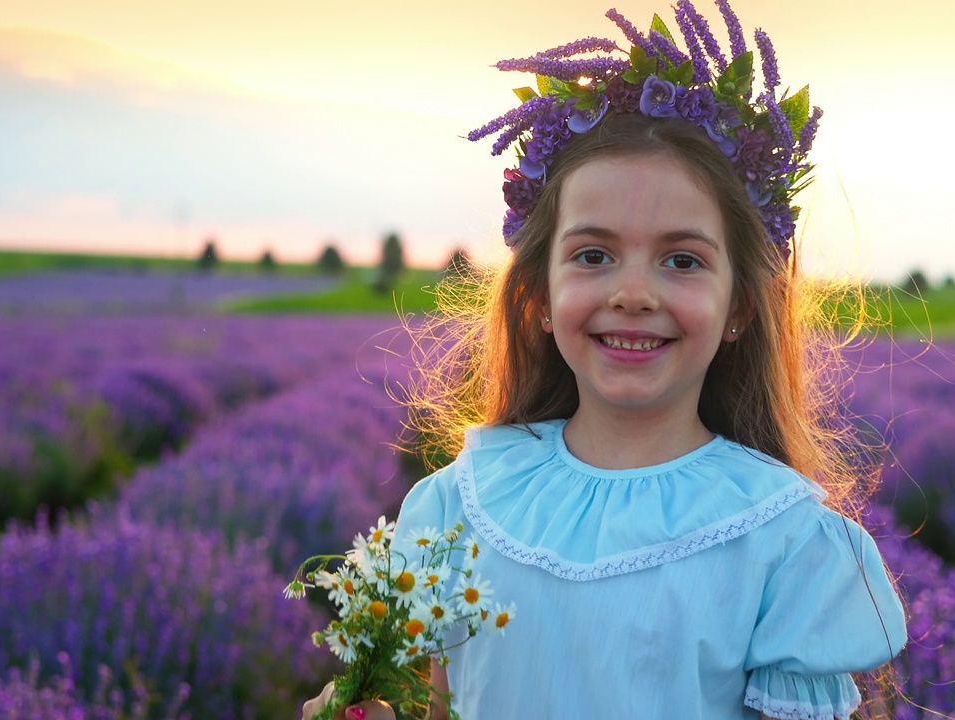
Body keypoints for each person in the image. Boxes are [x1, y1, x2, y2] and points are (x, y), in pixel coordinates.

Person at [303, 2, 906, 718]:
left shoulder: (784, 540)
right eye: (594, 255)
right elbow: (429, 706)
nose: (632, 293)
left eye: (682, 260)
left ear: (741, 306)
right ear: (540, 296)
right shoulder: (460, 508)